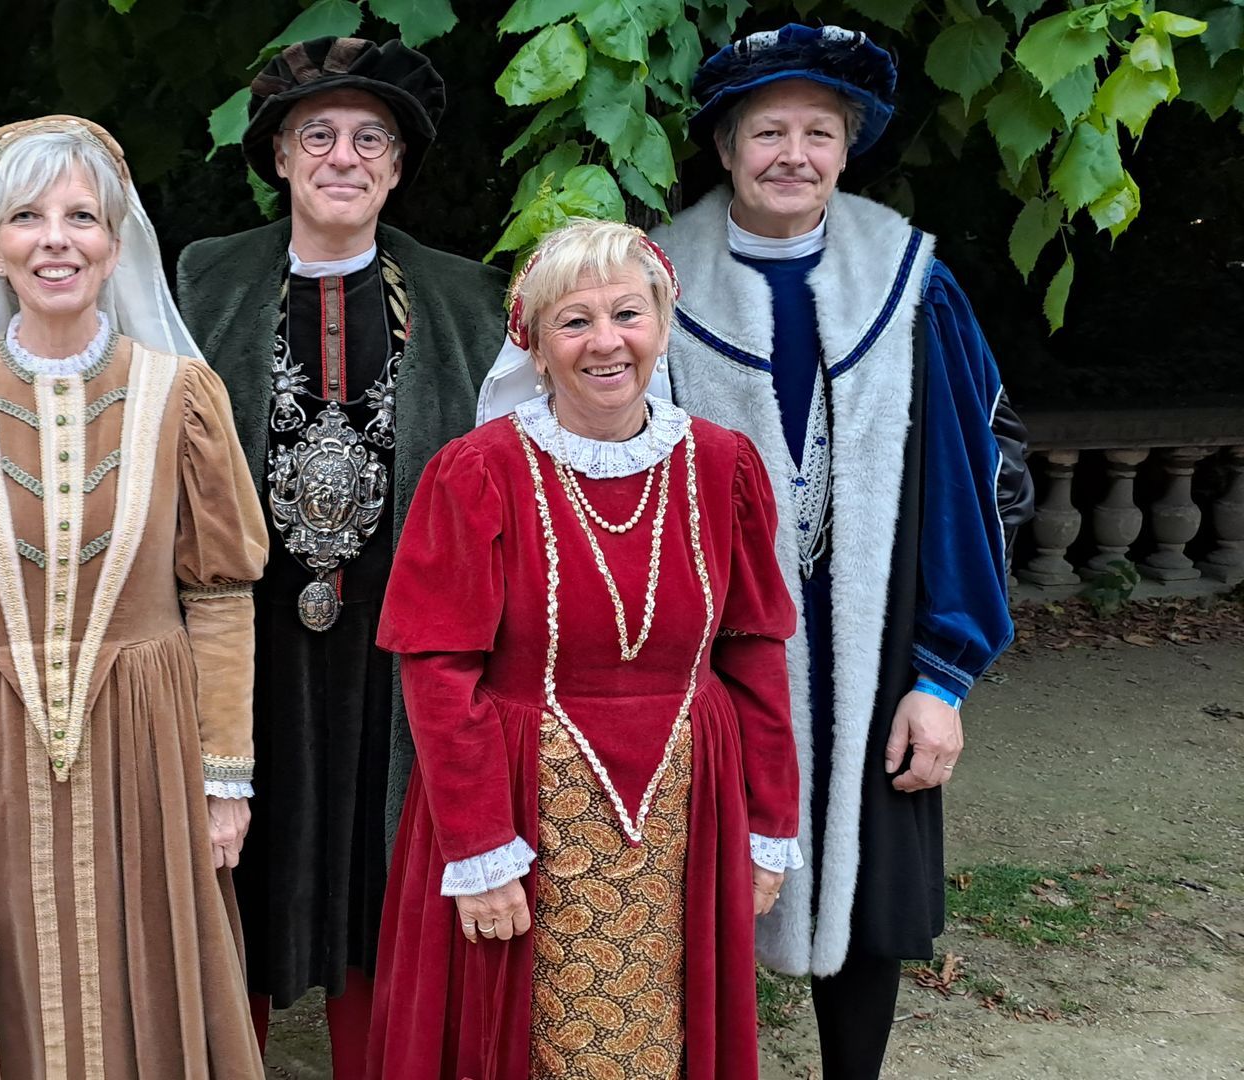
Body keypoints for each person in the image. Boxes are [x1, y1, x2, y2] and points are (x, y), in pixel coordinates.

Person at [645, 25, 1018, 1078]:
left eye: (819, 132)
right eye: (768, 131)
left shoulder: (911, 285)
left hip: (876, 645)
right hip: (705, 655)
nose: (794, 155)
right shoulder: (655, 285)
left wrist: (943, 678)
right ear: (726, 146)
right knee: (687, 892)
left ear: (849, 148)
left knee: (868, 894)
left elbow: (979, 477)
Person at [0, 115, 268, 1079]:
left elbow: (219, 594)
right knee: (15, 989)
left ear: (115, 242)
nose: (57, 239)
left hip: (150, 741)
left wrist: (224, 779)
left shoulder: (182, 396)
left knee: (150, 974)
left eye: (82, 216)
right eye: (28, 217)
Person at [366, 218, 802, 1079]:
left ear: (663, 327)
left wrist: (768, 822)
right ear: (534, 347)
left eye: (627, 314)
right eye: (574, 321)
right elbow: (439, 673)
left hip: (689, 812)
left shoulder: (723, 467)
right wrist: (480, 849)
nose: (606, 341)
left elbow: (755, 655)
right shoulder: (478, 472)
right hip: (524, 811)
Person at [174, 38, 509, 1072]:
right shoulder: (205, 283)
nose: (343, 157)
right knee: (239, 865)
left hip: (394, 645)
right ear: (279, 156)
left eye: (371, 139)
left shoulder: (465, 300)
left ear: (398, 168)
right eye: (316, 135)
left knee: (380, 869)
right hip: (247, 638)